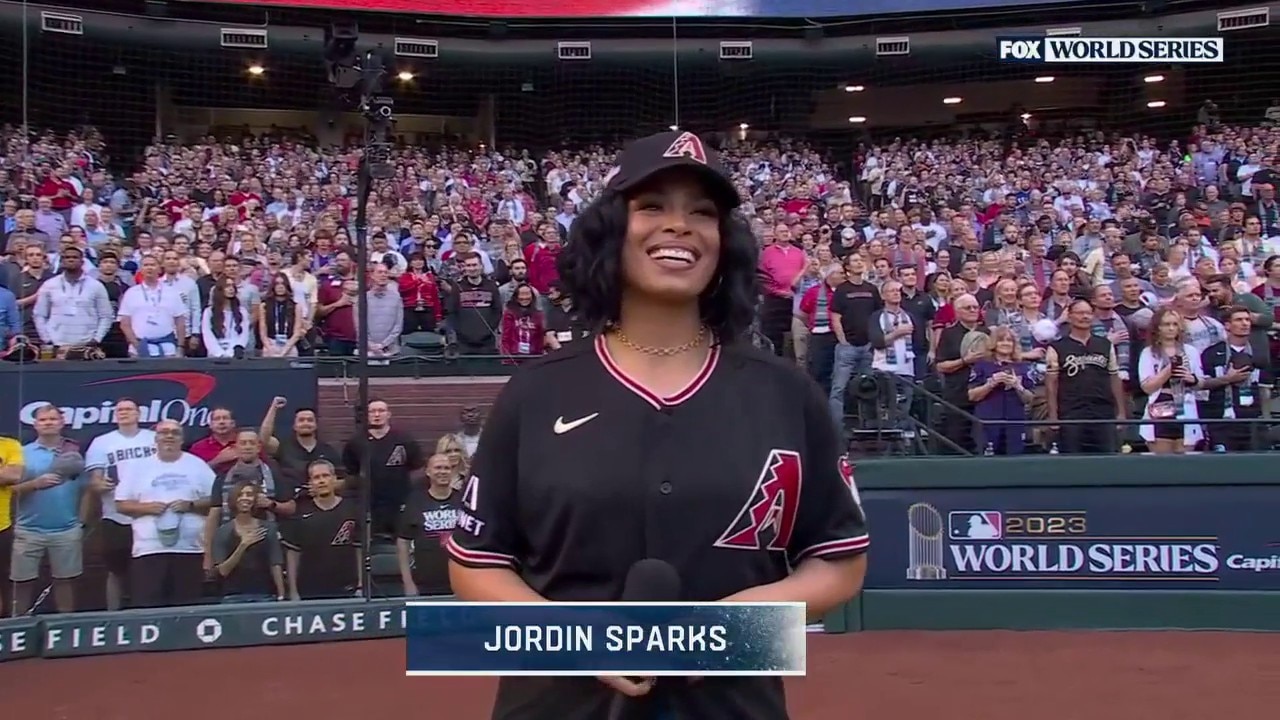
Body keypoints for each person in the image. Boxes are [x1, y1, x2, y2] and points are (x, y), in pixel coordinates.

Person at [446, 130, 868, 720]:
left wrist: (740, 628)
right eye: (652, 207)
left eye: (702, 212)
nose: (680, 226)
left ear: (725, 244)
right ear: (613, 232)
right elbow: (477, 562)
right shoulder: (536, 391)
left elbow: (839, 559)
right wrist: (568, 638)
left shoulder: (785, 393)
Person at [114, 420, 215, 608]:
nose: (169, 436)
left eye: (175, 433)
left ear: (182, 439)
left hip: (189, 550)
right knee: (148, 607)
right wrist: (147, 508)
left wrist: (191, 505)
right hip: (149, 550)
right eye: (164, 432)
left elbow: (216, 501)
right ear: (156, 438)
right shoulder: (138, 467)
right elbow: (120, 504)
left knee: (186, 607)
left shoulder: (197, 465)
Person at [9, 405, 85, 615]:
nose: (48, 423)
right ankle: (18, 624)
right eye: (43, 420)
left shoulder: (75, 452)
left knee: (65, 581)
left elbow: (87, 490)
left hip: (66, 529)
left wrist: (82, 521)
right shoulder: (22, 453)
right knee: (21, 581)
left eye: (53, 419)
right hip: (28, 529)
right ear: (35, 425)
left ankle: (66, 624)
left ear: (62, 423)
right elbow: (9, 491)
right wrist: (35, 484)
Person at [1045, 299, 1128, 454]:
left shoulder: (1105, 345)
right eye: (1080, 313)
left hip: (1103, 412)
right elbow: (1051, 384)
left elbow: (1114, 377)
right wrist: (1053, 416)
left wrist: (1121, 412)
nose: (1085, 317)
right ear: (1069, 317)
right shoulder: (1057, 347)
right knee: (1072, 460)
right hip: (1071, 414)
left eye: (1088, 313)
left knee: (1106, 458)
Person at [282, 459, 361, 600]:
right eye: (316, 477)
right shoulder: (300, 512)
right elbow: (293, 553)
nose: (322, 481)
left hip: (347, 588)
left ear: (334, 479)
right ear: (310, 483)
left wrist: (361, 585)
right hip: (310, 590)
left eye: (326, 476)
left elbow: (360, 549)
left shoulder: (352, 509)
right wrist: (293, 591)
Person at [1137, 308, 1206, 453]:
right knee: (1162, 461)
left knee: (1185, 459)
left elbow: (1201, 384)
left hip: (1185, 408)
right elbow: (1147, 387)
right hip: (1160, 408)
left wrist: (1191, 379)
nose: (1171, 328)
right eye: (1166, 324)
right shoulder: (1148, 353)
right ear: (1158, 328)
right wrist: (1169, 370)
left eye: (1175, 324)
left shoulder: (1191, 351)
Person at [212, 480, 285, 602]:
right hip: (233, 596)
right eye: (240, 495)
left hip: (264, 595)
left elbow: (275, 563)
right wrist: (243, 545)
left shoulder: (268, 528)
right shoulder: (223, 532)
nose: (245, 498)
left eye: (249, 494)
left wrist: (281, 595)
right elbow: (223, 571)